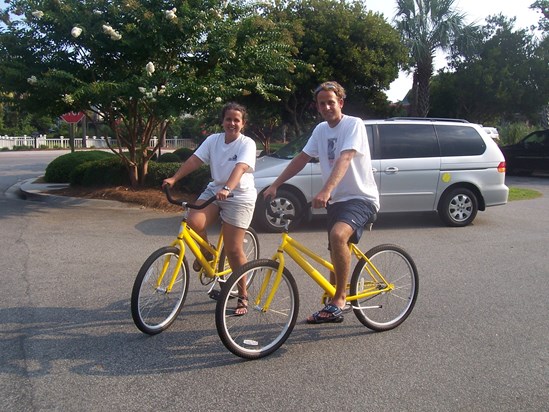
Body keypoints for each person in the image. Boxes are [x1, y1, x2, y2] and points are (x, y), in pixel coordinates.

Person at [263, 81, 379, 324]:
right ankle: (331, 305)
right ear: (317, 106)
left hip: (361, 198)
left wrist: (326, 190)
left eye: (331, 102)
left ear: (341, 103)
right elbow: (302, 158)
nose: (326, 107)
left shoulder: (353, 125)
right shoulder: (320, 130)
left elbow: (345, 158)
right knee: (335, 251)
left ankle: (340, 299)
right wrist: (276, 184)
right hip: (337, 201)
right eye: (322, 103)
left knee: (338, 237)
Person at [163, 102, 257, 315]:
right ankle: (207, 254)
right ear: (222, 121)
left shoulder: (247, 143)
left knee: (233, 249)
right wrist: (174, 178)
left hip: (239, 196)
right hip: (215, 190)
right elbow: (195, 160)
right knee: (193, 221)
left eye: (236, 120)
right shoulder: (213, 140)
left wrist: (227, 187)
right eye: (228, 119)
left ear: (243, 123)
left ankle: (242, 295)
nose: (232, 123)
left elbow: (240, 167)